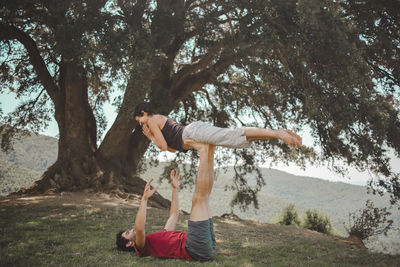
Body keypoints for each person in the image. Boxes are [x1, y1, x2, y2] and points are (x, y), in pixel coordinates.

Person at [116, 141, 217, 261]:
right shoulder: (141, 247)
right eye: (128, 233)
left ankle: (210, 150)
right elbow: (139, 228)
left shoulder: (158, 239)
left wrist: (175, 189)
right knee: (199, 199)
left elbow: (174, 215)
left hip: (204, 247)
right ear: (129, 244)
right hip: (195, 248)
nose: (131, 229)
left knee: (204, 198)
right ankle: (204, 151)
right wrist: (144, 199)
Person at [133, 101, 302, 153]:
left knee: (232, 134)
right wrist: (153, 138)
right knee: (236, 140)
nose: (141, 124)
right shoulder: (155, 121)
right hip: (193, 134)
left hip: (192, 132)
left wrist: (150, 137)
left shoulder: (152, 120)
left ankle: (277, 133)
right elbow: (171, 150)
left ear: (144, 112)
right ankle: (275, 134)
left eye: (140, 119)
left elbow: (162, 146)